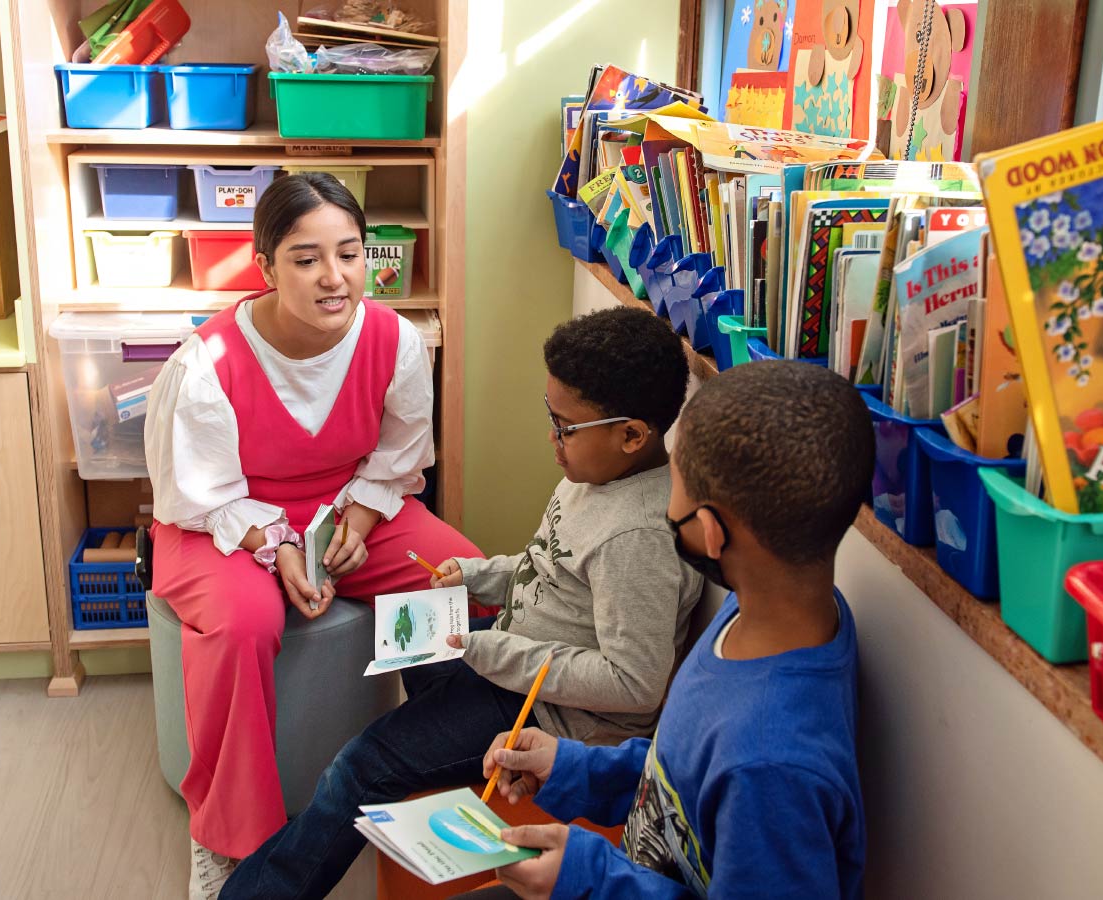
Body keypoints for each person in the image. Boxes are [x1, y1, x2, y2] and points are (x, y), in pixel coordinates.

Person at [220, 306, 706, 899]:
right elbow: (548, 569)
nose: (551, 440)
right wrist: (479, 576)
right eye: (549, 416)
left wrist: (492, 650)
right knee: (402, 635)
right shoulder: (594, 476)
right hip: (513, 662)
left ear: (631, 435)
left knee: (361, 765)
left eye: (565, 427)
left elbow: (635, 684)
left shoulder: (638, 538)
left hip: (546, 715)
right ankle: (436, 748)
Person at [143, 173, 481, 899]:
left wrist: (357, 519)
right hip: (219, 520)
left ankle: (432, 763)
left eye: (351, 254)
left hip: (343, 505)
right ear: (263, 265)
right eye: (305, 259)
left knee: (457, 574)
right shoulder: (208, 362)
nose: (335, 278)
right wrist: (279, 543)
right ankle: (227, 837)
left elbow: (398, 455)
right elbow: (195, 492)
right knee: (242, 621)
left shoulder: (395, 340)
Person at [478, 361, 873, 899]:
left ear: (710, 533)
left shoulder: (771, 772)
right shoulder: (771, 614)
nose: (665, 508)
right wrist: (572, 767)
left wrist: (589, 876)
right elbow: (679, 781)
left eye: (675, 498)